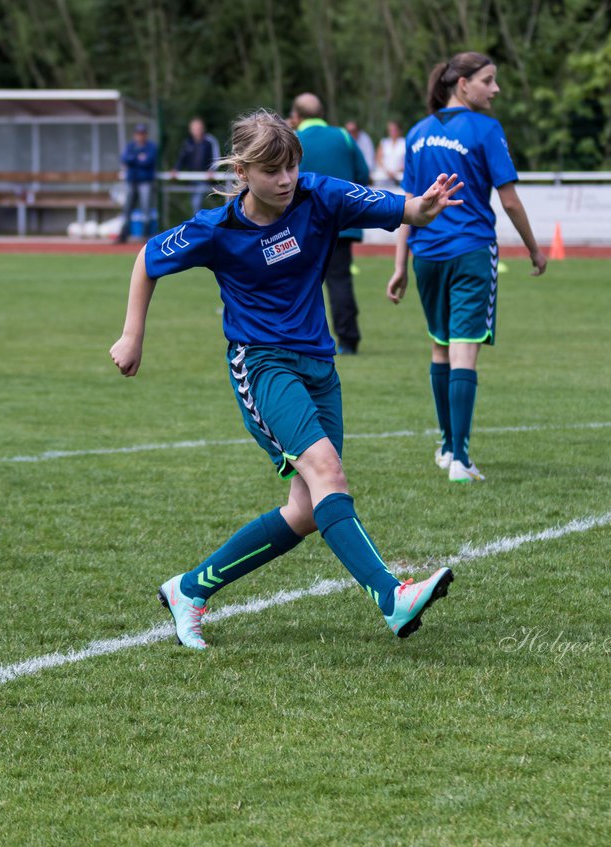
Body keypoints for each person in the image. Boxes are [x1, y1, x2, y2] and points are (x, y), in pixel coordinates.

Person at [109, 108, 463, 649]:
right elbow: (147, 257)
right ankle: (392, 598)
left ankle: (189, 589)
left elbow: (406, 208)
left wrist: (425, 207)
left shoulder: (320, 196)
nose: (286, 179)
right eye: (273, 170)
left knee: (306, 508)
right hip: (261, 363)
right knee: (327, 472)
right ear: (243, 171)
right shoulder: (217, 229)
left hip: (319, 365)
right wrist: (132, 335)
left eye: (292, 166)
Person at [386, 51, 547, 484]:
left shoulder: (418, 133)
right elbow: (509, 199)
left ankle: (445, 447)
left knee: (440, 347)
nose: (495, 89)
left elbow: (410, 205)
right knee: (464, 350)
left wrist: (400, 265)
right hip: (471, 251)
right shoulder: (486, 129)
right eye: (488, 80)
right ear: (462, 85)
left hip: (426, 255)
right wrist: (534, 248)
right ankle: (460, 458)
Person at [290, 93, 370, 355]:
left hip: (301, 227)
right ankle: (348, 340)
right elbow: (363, 175)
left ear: (297, 116)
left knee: (296, 282)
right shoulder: (344, 136)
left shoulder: (291, 140)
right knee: (340, 282)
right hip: (341, 224)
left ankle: (297, 338)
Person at [115, 123, 159, 243]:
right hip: (132, 181)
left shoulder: (151, 147)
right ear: (135, 135)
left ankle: (146, 236)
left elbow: (148, 161)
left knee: (146, 209)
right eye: (138, 134)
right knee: (127, 209)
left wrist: (133, 160)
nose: (140, 136)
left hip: (145, 182)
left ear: (146, 135)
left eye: (142, 133)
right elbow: (125, 159)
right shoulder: (131, 146)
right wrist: (138, 158)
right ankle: (124, 234)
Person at [171, 117, 221, 212]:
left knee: (196, 203)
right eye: (194, 128)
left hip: (205, 179)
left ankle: (199, 225)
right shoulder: (188, 142)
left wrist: (212, 170)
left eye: (198, 128)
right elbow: (182, 158)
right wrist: (175, 169)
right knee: (196, 204)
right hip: (191, 179)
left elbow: (217, 159)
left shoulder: (210, 141)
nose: (197, 131)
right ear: (190, 130)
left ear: (203, 128)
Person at [376, 120, 406, 185]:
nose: (392, 132)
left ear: (399, 130)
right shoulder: (384, 142)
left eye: (394, 130)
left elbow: (407, 160)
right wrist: (387, 171)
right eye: (390, 130)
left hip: (399, 176)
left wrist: (396, 172)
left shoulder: (404, 142)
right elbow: (378, 158)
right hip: (383, 175)